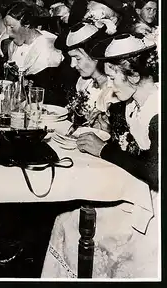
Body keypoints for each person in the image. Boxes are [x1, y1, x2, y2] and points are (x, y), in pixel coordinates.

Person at [42, 34, 159, 278]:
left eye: (114, 78)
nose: (111, 85)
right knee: (66, 217)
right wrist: (109, 131)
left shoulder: (157, 109)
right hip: (134, 188)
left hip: (154, 207)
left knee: (76, 222)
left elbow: (156, 173)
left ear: (134, 76)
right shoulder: (130, 102)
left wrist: (104, 149)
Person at [54, 22, 117, 129]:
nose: (72, 64)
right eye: (71, 59)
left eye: (77, 58)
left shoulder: (115, 90)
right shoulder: (83, 83)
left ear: (95, 57)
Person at [3, 2, 63, 77]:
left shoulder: (48, 48)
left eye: (11, 27)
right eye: (5, 26)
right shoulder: (13, 45)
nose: (7, 32)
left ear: (27, 24)